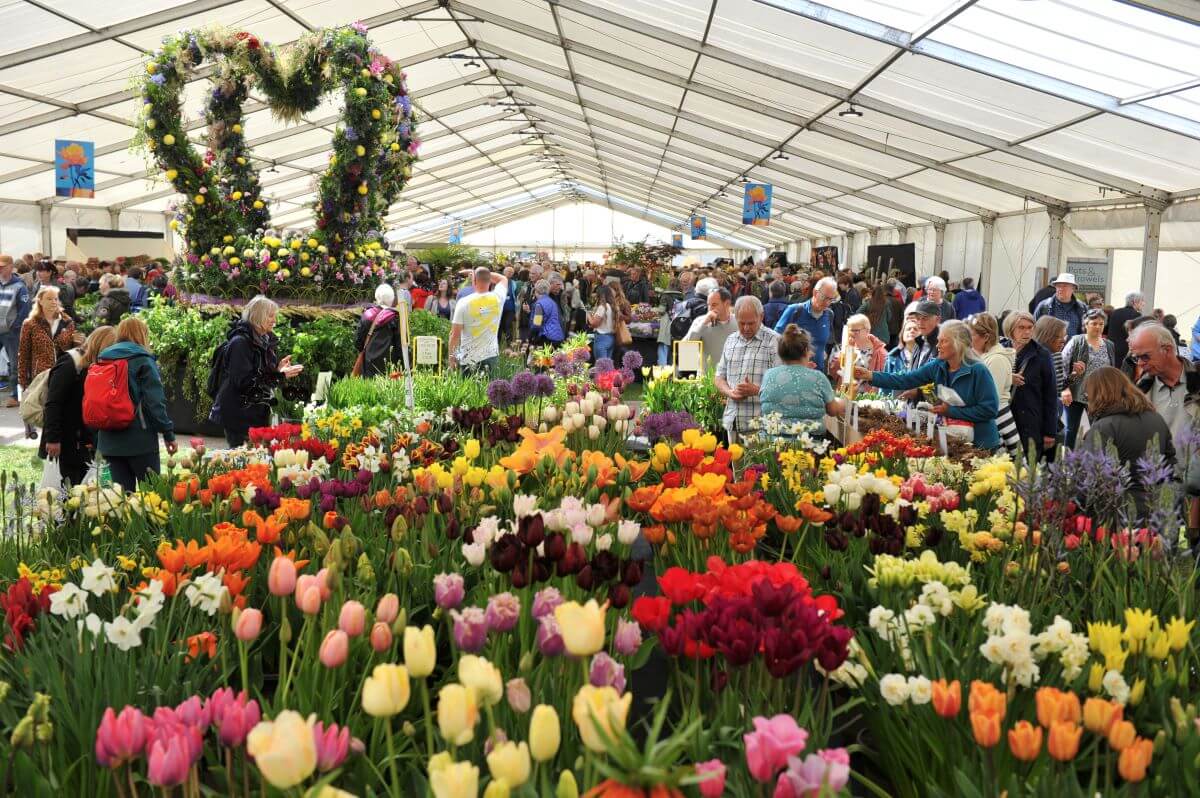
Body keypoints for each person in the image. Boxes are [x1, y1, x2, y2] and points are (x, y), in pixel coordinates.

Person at [856, 320, 1001, 450]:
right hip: (954, 441)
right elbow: (905, 379)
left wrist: (951, 411)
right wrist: (870, 375)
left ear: (959, 344)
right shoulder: (938, 365)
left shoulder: (978, 370)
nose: (937, 346)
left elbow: (989, 410)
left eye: (943, 341)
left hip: (981, 445)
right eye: (938, 341)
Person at [1080, 366, 1175, 520]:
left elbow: (1089, 478)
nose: (1087, 399)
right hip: (1156, 510)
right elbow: (1170, 464)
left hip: (1117, 514)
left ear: (1098, 393)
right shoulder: (1156, 419)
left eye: (1087, 394)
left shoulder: (1104, 427)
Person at [95, 317, 177, 492]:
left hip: (108, 441)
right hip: (140, 440)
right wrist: (168, 434)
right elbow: (155, 402)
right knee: (152, 499)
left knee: (119, 501)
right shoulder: (143, 359)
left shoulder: (103, 357)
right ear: (142, 334)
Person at [211, 296, 303, 447]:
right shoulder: (240, 343)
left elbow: (261, 374)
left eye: (275, 316)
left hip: (254, 412)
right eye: (271, 316)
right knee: (242, 459)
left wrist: (278, 369)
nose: (275, 320)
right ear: (258, 316)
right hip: (238, 414)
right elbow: (245, 382)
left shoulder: (263, 340)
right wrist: (279, 376)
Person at [41, 326, 116, 487]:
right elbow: (53, 402)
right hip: (65, 439)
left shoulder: (93, 364)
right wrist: (53, 438)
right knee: (68, 490)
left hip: (82, 439)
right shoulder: (70, 362)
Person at [714, 296, 781, 444]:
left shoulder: (774, 341)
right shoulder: (731, 340)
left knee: (760, 467)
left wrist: (757, 390)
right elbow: (719, 377)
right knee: (736, 467)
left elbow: (783, 387)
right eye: (741, 323)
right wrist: (730, 392)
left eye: (751, 323)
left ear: (761, 316)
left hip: (761, 426)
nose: (746, 328)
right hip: (733, 422)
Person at [761, 325, 844, 427]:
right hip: (808, 441)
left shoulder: (769, 375)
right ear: (805, 350)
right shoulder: (818, 378)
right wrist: (843, 402)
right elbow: (833, 410)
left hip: (772, 440)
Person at [1005, 311, 1058, 460]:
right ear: (1010, 329)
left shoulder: (1042, 354)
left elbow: (1051, 395)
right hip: (1004, 419)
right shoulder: (1000, 350)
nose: (1027, 331)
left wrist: (1050, 432)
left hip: (1030, 423)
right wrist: (1007, 378)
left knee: (1029, 472)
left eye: (1030, 327)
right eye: (1021, 327)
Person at [1061, 309, 1114, 448]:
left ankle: (1097, 461)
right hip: (1076, 393)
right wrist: (1065, 388)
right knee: (1071, 429)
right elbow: (1061, 365)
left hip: (1099, 396)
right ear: (1086, 324)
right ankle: (1067, 462)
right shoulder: (1076, 341)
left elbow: (1112, 371)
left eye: (1101, 324)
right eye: (1094, 323)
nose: (1098, 327)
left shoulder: (1109, 345)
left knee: (1099, 430)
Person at [967, 313, 1020, 453]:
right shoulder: (976, 355)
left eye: (970, 335)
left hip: (998, 423)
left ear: (985, 337)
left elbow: (989, 400)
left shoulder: (997, 360)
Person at [18, 286, 77, 406]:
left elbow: (73, 352)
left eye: (55, 299)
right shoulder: (30, 324)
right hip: (40, 377)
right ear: (40, 301)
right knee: (41, 414)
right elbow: (23, 355)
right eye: (49, 299)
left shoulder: (67, 322)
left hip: (63, 375)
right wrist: (23, 383)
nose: (54, 302)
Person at [449, 266, 509, 375]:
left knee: (469, 391)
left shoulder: (463, 302)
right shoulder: (498, 298)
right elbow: (503, 279)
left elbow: (454, 335)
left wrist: (452, 358)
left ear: (474, 281)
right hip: (490, 356)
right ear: (489, 281)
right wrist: (483, 274)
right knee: (489, 391)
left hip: (468, 357)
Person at [774, 276, 838, 370]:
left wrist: (824, 354)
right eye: (824, 298)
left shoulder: (829, 315)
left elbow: (823, 343)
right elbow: (775, 339)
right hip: (794, 374)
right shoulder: (794, 310)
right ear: (815, 293)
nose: (827, 303)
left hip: (818, 375)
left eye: (831, 299)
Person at [0, 255, 30, 407]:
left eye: (2, 266)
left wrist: (15, 325)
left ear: (11, 267)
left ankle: (16, 396)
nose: (0, 269)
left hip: (12, 331)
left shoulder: (20, 286)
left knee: (16, 364)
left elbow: (25, 309)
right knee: (13, 364)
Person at [684, 288, 737, 372]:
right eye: (708, 304)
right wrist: (703, 324)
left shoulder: (738, 322)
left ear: (727, 304)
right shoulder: (700, 321)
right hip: (706, 380)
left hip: (730, 379)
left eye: (714, 305)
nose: (710, 309)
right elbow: (686, 350)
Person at [357, 284, 402, 378]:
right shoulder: (395, 318)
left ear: (376, 296)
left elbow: (358, 342)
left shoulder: (367, 315)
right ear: (392, 299)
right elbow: (400, 346)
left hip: (369, 364)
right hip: (389, 366)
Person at [835, 314, 887, 392]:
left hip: (869, 396)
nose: (852, 333)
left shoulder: (880, 351)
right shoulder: (844, 347)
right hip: (847, 393)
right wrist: (848, 350)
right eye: (850, 330)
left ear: (867, 331)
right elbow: (836, 372)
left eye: (856, 330)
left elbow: (885, 376)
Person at [1034, 273, 1087, 337]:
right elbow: (1035, 329)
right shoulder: (1044, 306)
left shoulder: (1082, 307)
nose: (1061, 289)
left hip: (1074, 346)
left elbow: (1087, 332)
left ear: (1073, 288)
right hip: (1048, 346)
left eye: (1065, 286)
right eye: (1058, 286)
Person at [1107, 291, 1145, 366]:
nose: (1144, 304)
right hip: (1127, 351)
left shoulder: (1115, 312)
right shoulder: (1137, 316)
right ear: (1135, 302)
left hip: (1111, 349)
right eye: (1142, 301)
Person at [588, 283, 621, 363]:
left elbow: (594, 324)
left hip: (601, 339)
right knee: (607, 367)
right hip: (611, 338)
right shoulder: (614, 307)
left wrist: (588, 315)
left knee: (601, 367)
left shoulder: (603, 307)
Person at [529, 279, 565, 346]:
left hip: (546, 337)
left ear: (536, 290)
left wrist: (531, 335)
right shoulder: (552, 302)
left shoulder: (539, 304)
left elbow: (537, 323)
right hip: (558, 335)